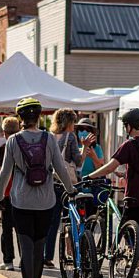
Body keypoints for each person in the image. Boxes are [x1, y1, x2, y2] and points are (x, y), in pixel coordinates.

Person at [0, 98, 76, 278]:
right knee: (39, 245)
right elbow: (60, 167)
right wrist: (70, 189)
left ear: (20, 118)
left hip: (21, 200)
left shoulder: (13, 140)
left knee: (26, 246)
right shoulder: (49, 138)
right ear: (39, 116)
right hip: (45, 201)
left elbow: (4, 172)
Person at [86, 108, 139, 278]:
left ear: (128, 126)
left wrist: (89, 177)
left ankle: (135, 257)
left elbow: (109, 167)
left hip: (134, 198)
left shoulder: (129, 145)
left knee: (127, 229)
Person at [44, 108, 82, 268]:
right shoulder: (70, 137)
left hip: (51, 183)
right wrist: (85, 148)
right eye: (73, 122)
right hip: (67, 184)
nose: (75, 125)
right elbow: (78, 161)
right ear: (69, 122)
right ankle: (71, 253)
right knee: (70, 220)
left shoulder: (49, 137)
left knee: (52, 222)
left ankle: (47, 255)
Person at [0, 116, 20, 270]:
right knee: (21, 228)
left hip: (7, 191)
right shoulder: (23, 146)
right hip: (22, 191)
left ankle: (8, 260)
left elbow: (1, 172)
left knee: (7, 228)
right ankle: (24, 259)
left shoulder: (3, 149)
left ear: (4, 132)